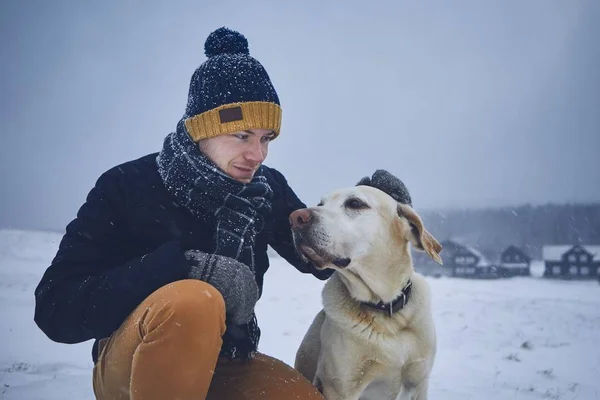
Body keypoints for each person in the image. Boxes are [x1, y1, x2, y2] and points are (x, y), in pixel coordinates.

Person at [34, 27, 332, 400]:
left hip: (226, 363)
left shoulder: (265, 189)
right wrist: (181, 267)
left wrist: (368, 210)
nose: (258, 155)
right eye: (242, 135)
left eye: (265, 138)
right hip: (130, 363)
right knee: (194, 301)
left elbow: (323, 259)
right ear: (200, 129)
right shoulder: (127, 185)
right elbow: (56, 309)